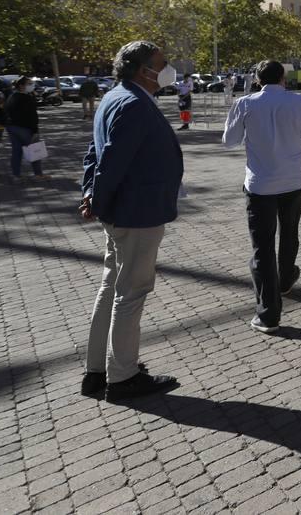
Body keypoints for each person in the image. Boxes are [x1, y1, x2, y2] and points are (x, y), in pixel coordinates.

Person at [79, 40, 182, 403]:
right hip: (136, 212)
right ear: (144, 70)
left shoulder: (116, 97)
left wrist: (91, 195)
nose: (168, 68)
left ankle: (98, 371)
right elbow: (110, 158)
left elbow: (96, 153)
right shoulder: (133, 103)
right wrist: (98, 199)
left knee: (112, 287)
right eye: (162, 63)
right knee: (130, 294)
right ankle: (122, 377)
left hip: (124, 209)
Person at [222, 60, 301, 333]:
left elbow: (229, 140)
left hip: (260, 185)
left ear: (257, 79)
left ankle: (268, 313)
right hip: (293, 181)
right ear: (283, 77)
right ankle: (286, 276)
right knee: (289, 232)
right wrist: (294, 142)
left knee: (263, 247)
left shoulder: (245, 104)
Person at [3, 77, 48, 181]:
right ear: (21, 86)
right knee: (34, 150)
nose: (32, 85)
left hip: (12, 127)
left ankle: (16, 175)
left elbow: (5, 111)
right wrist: (35, 131)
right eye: (29, 83)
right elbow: (32, 116)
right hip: (25, 128)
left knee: (16, 152)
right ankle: (38, 174)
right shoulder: (27, 98)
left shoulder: (11, 97)